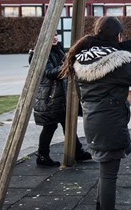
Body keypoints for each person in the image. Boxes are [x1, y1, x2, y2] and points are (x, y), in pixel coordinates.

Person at [60, 16, 131, 210]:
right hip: (110, 124)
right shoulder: (115, 62)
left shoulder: (82, 59)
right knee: (109, 175)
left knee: (105, 174)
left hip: (93, 122)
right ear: (118, 36)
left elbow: (82, 96)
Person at [29, 33, 91, 167]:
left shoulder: (58, 50)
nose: (55, 38)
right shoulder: (41, 54)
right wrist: (68, 67)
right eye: (51, 36)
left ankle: (76, 151)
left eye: (56, 35)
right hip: (49, 96)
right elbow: (49, 73)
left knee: (67, 122)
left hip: (59, 95)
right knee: (50, 125)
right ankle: (42, 156)